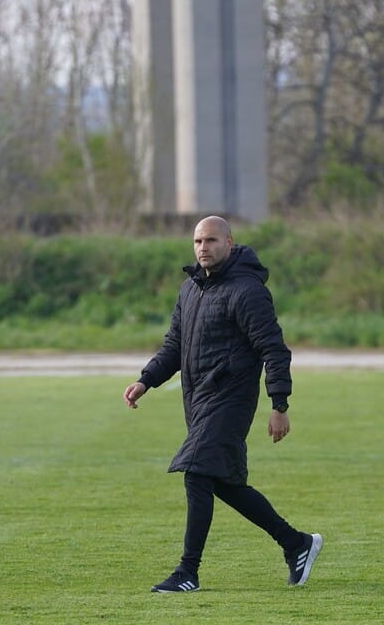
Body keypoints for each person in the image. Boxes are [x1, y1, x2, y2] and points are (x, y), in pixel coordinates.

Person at [122, 215, 322, 592]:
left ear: (229, 243)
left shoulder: (247, 291)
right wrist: (146, 380)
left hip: (230, 400)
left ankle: (187, 572)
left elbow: (274, 350)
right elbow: (175, 347)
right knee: (224, 483)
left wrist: (279, 404)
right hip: (198, 401)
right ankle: (296, 543)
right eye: (198, 242)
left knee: (196, 471)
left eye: (211, 241)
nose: (203, 248)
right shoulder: (190, 290)